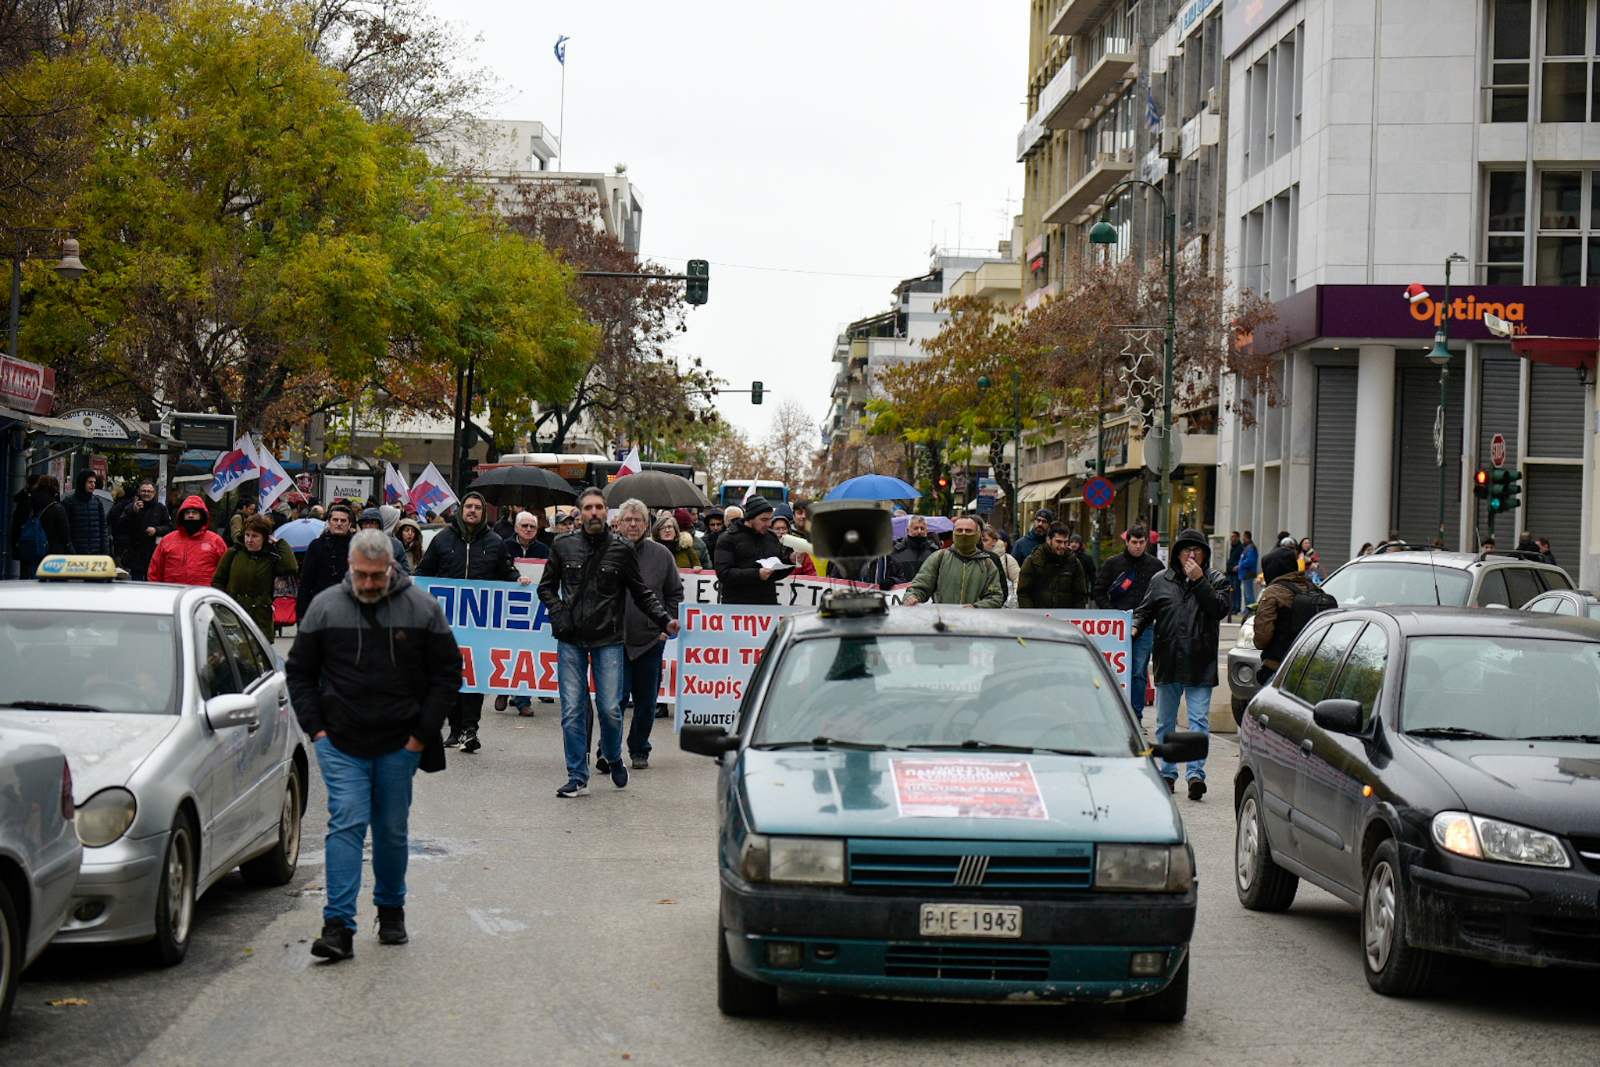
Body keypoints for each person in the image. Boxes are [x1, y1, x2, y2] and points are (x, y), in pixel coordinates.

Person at [287, 529, 463, 961]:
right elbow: (299, 671)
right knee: (346, 823)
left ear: (391, 568)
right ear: (350, 568)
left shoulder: (421, 608)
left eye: (376, 575)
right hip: (340, 741)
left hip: (399, 743)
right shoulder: (326, 607)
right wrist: (316, 730)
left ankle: (391, 909)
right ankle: (338, 926)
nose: (368, 583)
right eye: (361, 575)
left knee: (390, 829)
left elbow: (447, 673)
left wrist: (420, 735)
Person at [538, 488, 678, 798]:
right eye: (588, 507)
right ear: (579, 513)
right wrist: (559, 613)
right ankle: (577, 775)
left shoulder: (621, 549)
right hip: (571, 639)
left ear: (606, 512)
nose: (594, 512)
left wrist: (664, 620)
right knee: (572, 709)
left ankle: (613, 756)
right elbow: (545, 588)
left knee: (611, 709)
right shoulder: (562, 545)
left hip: (609, 639)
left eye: (599, 507)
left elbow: (641, 592)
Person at [417, 491, 525, 753]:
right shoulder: (442, 539)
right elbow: (423, 573)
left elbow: (507, 572)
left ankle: (470, 728)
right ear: (461, 510)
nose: (473, 511)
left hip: (479, 625)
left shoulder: (495, 542)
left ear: (483, 512)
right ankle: (455, 729)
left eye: (478, 507)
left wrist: (518, 580)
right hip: (447, 623)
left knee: (475, 677)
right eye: (469, 506)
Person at [1132, 528, 1230, 800]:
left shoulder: (1216, 579)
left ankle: (1196, 774)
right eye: (1186, 550)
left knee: (1198, 721)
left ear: (1205, 554)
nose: (1191, 555)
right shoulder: (1160, 580)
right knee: (1165, 722)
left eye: (1196, 550)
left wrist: (1199, 581)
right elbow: (1144, 611)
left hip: (1200, 660)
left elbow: (1220, 609)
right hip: (1169, 659)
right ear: (1177, 554)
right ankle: (1168, 772)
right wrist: (1134, 627)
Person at [614, 499, 683, 769]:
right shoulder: (607, 551)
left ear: (646, 524)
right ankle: (608, 749)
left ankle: (639, 748)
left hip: (650, 641)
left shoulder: (661, 555)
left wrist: (665, 628)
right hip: (614, 640)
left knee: (646, 701)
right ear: (619, 523)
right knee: (614, 701)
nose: (633, 524)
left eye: (638, 520)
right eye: (628, 519)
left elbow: (674, 594)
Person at [1092, 523, 1167, 725]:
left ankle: (1135, 719)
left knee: (1138, 673)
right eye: (1134, 542)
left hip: (1144, 626)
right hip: (1116, 627)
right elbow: (1098, 591)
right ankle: (1113, 717)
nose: (1138, 546)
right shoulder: (1112, 564)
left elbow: (1163, 595)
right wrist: (1112, 614)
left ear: (1146, 542)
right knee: (1113, 671)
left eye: (1141, 542)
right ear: (1127, 542)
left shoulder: (1155, 566)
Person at [1252, 544, 1336, 686]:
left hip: (1278, 667)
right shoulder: (1313, 587)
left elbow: (1262, 638)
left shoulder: (1273, 592)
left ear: (1271, 569)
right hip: (1310, 665)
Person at [212, 515, 299, 637]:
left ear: (265, 538)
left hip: (261, 619)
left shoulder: (270, 557)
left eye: (255, 536)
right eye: (247, 535)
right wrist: (224, 606)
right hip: (234, 616)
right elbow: (218, 581)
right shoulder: (233, 553)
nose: (249, 540)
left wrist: (279, 543)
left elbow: (291, 568)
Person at [902, 515, 1005, 608]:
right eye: (959, 530)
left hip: (974, 621)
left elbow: (995, 597)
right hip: (943, 620)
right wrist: (911, 596)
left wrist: (976, 607)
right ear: (953, 534)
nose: (963, 534)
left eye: (968, 531)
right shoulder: (939, 558)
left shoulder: (987, 564)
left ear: (978, 535)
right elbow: (920, 585)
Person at [713, 495, 786, 605]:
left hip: (767, 605)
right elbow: (724, 574)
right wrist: (757, 574)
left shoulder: (771, 537)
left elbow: (777, 572)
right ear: (750, 518)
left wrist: (790, 560)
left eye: (770, 519)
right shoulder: (728, 538)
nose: (769, 524)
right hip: (737, 606)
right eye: (764, 520)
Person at [148, 496, 229, 585]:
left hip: (204, 592)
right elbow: (155, 570)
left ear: (202, 515)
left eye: (194, 512)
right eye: (187, 513)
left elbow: (226, 570)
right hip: (173, 591)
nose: (190, 515)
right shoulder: (167, 540)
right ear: (182, 516)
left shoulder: (215, 541)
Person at [298, 504, 356, 620]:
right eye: (335, 520)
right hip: (321, 607)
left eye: (343, 520)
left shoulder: (357, 546)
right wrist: (301, 615)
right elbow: (306, 581)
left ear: (349, 524)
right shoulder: (316, 546)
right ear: (329, 522)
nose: (339, 523)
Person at [1016, 524, 1087, 609]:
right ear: (1049, 540)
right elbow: (1023, 593)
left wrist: (1075, 614)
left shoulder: (1073, 562)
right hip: (1038, 614)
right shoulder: (1033, 561)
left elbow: (1080, 595)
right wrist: (1032, 613)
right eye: (1058, 542)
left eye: (1065, 542)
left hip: (1065, 615)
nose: (1062, 546)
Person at [113, 480, 172, 580]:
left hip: (154, 553)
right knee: (136, 584)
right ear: (139, 492)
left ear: (154, 493)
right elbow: (120, 526)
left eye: (149, 491)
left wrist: (156, 530)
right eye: (144, 491)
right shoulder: (131, 507)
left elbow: (169, 527)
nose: (146, 493)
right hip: (134, 554)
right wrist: (133, 511)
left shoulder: (160, 508)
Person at [15, 475, 71, 577]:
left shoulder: (27, 502)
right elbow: (65, 535)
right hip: (52, 555)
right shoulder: (56, 507)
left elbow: (17, 526)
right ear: (54, 488)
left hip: (30, 550)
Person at [61, 469, 110, 556]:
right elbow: (65, 530)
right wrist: (71, 550)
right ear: (82, 482)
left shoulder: (97, 502)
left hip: (95, 552)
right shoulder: (69, 502)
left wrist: (105, 551)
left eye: (94, 482)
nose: (93, 485)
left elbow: (103, 528)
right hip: (77, 552)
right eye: (90, 482)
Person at [357, 507, 410, 574]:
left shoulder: (396, 545)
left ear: (379, 525)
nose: (368, 526)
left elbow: (406, 572)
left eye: (372, 523)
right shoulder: (355, 545)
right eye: (365, 523)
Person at [889, 516, 939, 585]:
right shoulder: (896, 551)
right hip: (903, 591)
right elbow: (893, 574)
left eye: (922, 528)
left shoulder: (934, 552)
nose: (919, 531)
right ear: (908, 530)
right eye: (916, 528)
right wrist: (893, 580)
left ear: (926, 531)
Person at [981, 525, 1020, 606]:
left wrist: (1014, 599)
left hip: (1002, 603)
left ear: (994, 541)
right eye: (980, 540)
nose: (982, 543)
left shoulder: (1007, 559)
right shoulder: (977, 557)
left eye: (985, 540)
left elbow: (1017, 579)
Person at [1235, 531, 1260, 616]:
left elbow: (1250, 561)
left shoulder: (1251, 548)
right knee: (1246, 594)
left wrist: (1240, 565)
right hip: (1244, 574)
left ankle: (1252, 610)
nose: (1243, 539)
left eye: (1244, 537)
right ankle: (1248, 610)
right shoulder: (1247, 548)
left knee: (1249, 594)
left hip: (1248, 573)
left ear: (1247, 538)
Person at [1225, 532, 1244, 619]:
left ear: (1237, 537)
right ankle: (1232, 608)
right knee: (1231, 591)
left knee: (1236, 591)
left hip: (1235, 573)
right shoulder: (1232, 547)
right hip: (1230, 572)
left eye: (1233, 537)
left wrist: (1236, 566)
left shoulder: (1240, 548)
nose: (1232, 538)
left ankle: (1236, 608)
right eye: (1231, 537)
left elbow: (1240, 559)